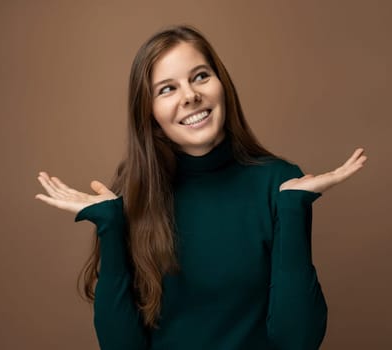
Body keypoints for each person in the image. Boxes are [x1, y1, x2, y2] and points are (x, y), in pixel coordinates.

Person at [35, 25, 366, 350]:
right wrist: (110, 224)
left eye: (200, 76)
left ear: (222, 85)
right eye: (167, 89)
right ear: (148, 113)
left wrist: (293, 207)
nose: (191, 96)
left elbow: (298, 340)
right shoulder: (134, 195)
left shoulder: (280, 184)